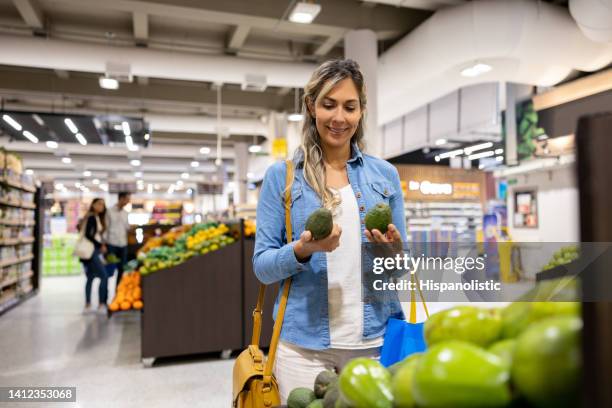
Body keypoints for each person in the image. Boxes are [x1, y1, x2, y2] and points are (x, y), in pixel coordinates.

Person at [253, 59, 407, 402]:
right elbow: (262, 267)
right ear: (311, 107)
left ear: (361, 111)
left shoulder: (385, 176)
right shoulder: (282, 177)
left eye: (350, 107)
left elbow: (400, 267)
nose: (339, 118)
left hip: (376, 341)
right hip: (302, 347)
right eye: (329, 104)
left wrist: (391, 251)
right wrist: (303, 250)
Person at [83, 198, 109, 313]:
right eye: (99, 204)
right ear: (93, 204)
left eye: (103, 205)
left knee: (90, 277)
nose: (101, 207)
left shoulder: (96, 217)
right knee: (104, 276)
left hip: (92, 251)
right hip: (92, 251)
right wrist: (100, 245)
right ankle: (101, 304)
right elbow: (89, 235)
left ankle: (88, 304)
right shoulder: (92, 217)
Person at [105, 192, 131, 286]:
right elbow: (106, 228)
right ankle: (104, 297)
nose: (128, 202)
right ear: (121, 198)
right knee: (109, 271)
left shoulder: (126, 213)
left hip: (123, 244)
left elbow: (127, 227)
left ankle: (118, 292)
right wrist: (104, 244)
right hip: (111, 244)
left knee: (122, 269)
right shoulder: (109, 211)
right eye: (127, 199)